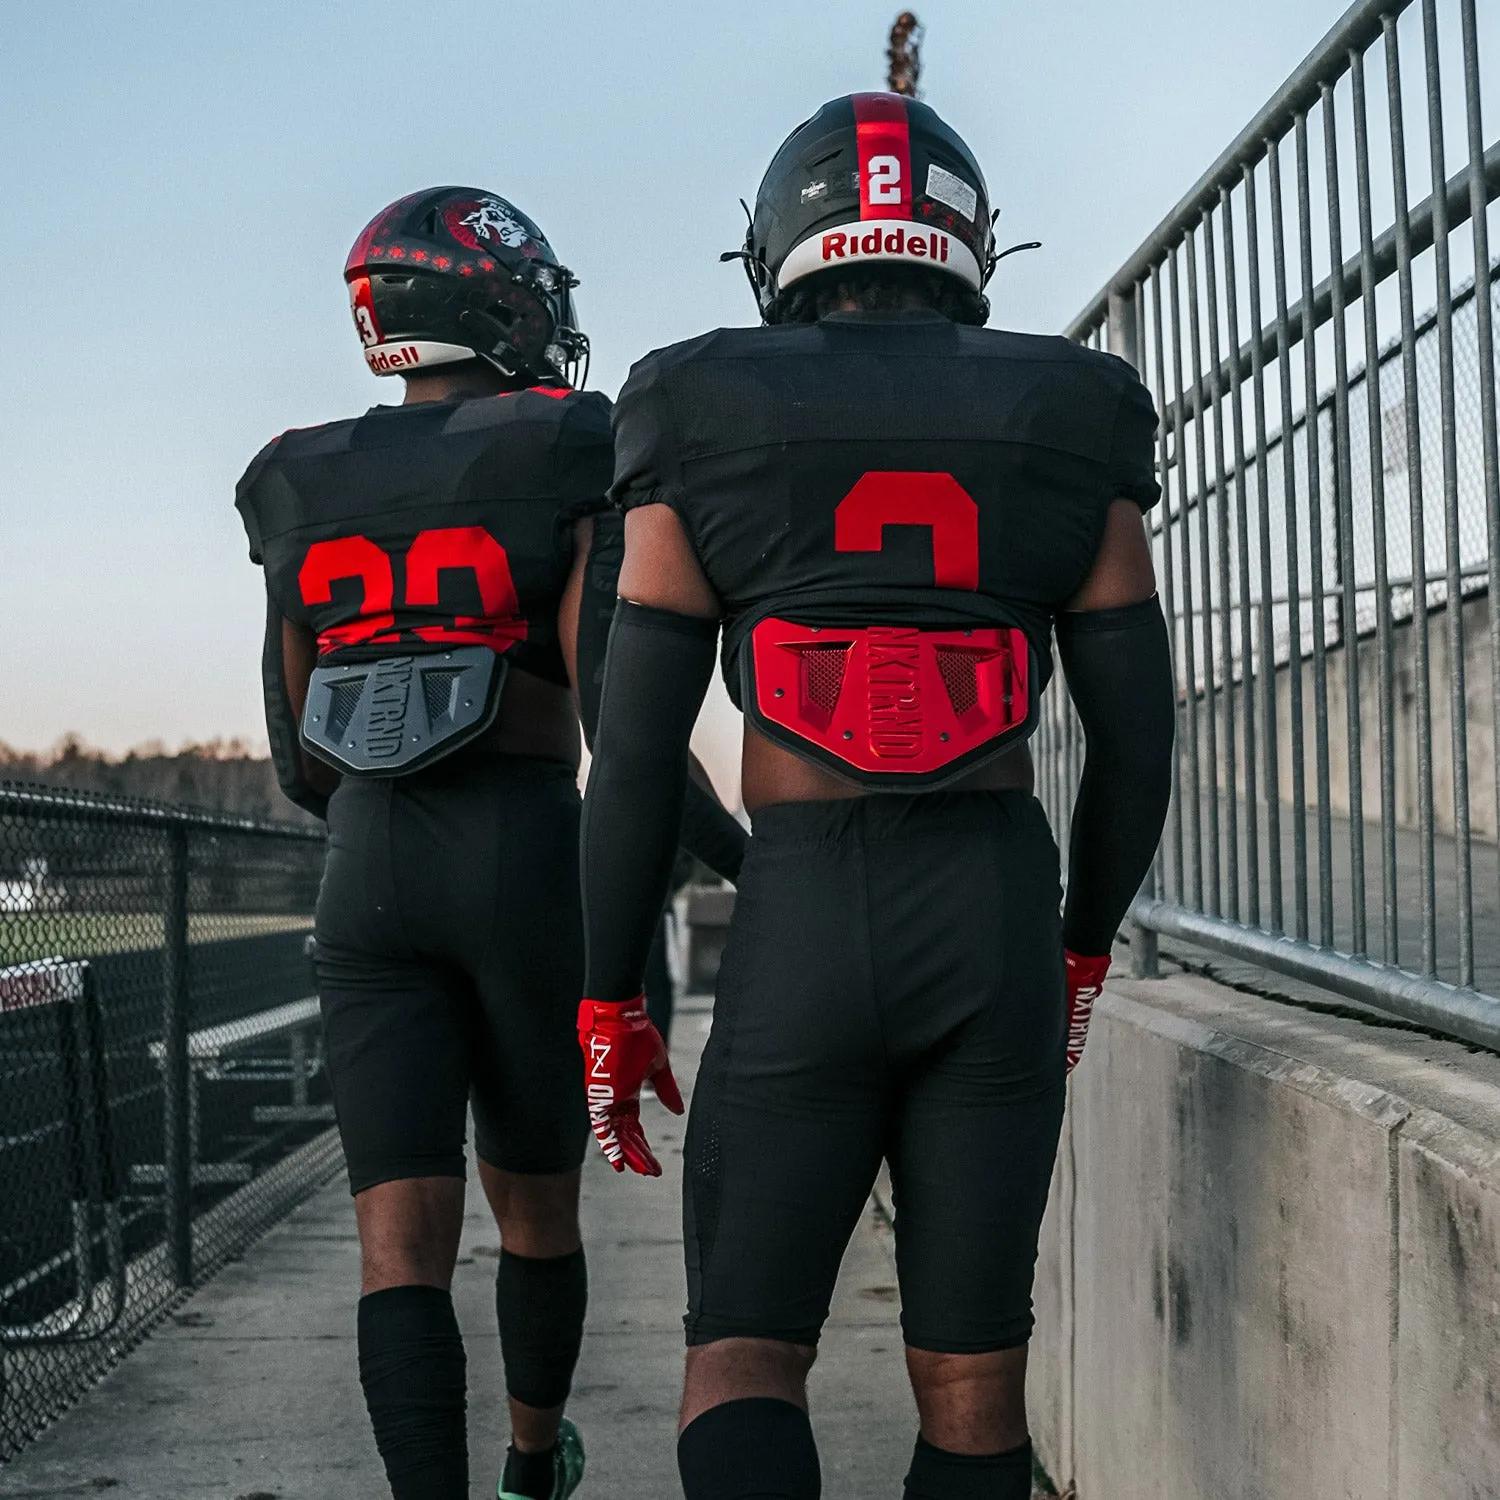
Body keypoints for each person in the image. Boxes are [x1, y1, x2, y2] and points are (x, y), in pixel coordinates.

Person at [575, 95, 1176, 1500]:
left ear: (782, 241)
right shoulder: (1069, 407)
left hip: (801, 906)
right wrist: (1082, 945)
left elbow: (639, 751)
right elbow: (1138, 736)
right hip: (995, 903)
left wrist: (612, 995)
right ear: (965, 239)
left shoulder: (695, 399)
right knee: (973, 1384)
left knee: (741, 1356)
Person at [235, 186, 743, 1500]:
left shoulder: (300, 473)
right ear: (493, 301)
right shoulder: (565, 446)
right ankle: (530, 1465)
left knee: (396, 1245)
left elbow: (297, 751)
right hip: (523, 855)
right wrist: (743, 857)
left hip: (367, 868)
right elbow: (627, 723)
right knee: (535, 1212)